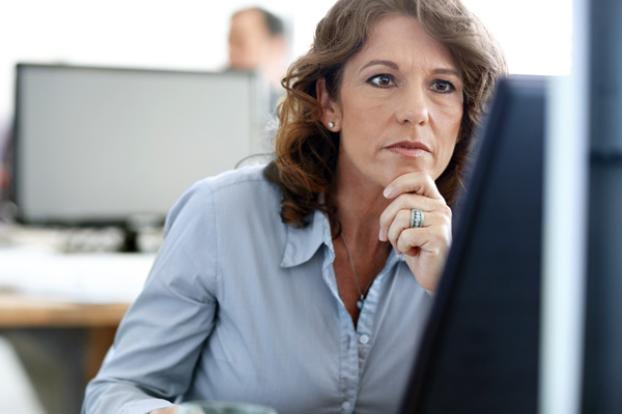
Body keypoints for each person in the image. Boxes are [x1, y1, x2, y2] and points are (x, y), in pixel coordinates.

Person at [83, 0, 505, 413]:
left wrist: (452, 290)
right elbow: (117, 392)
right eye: (382, 80)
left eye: (443, 86)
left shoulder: (482, 240)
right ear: (328, 103)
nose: (416, 112)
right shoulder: (221, 214)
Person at [227, 7, 288, 109]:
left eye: (240, 42)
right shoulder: (217, 92)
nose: (232, 52)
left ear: (276, 46)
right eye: (230, 42)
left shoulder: (297, 104)